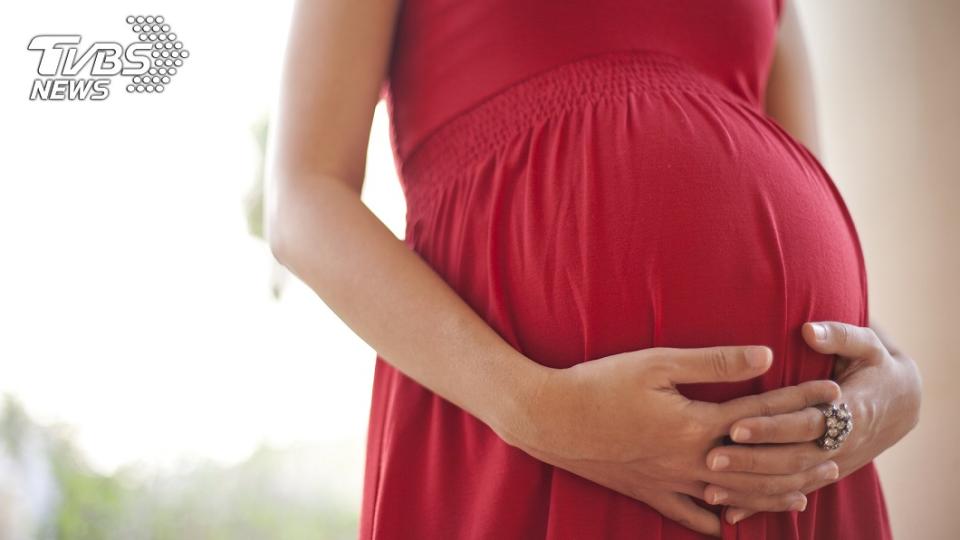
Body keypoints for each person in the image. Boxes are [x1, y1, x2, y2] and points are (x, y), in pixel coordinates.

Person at [265, 0, 922, 538]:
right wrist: (536, 411)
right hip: (526, 445)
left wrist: (889, 381)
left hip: (786, 484)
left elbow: (795, 187)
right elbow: (303, 196)